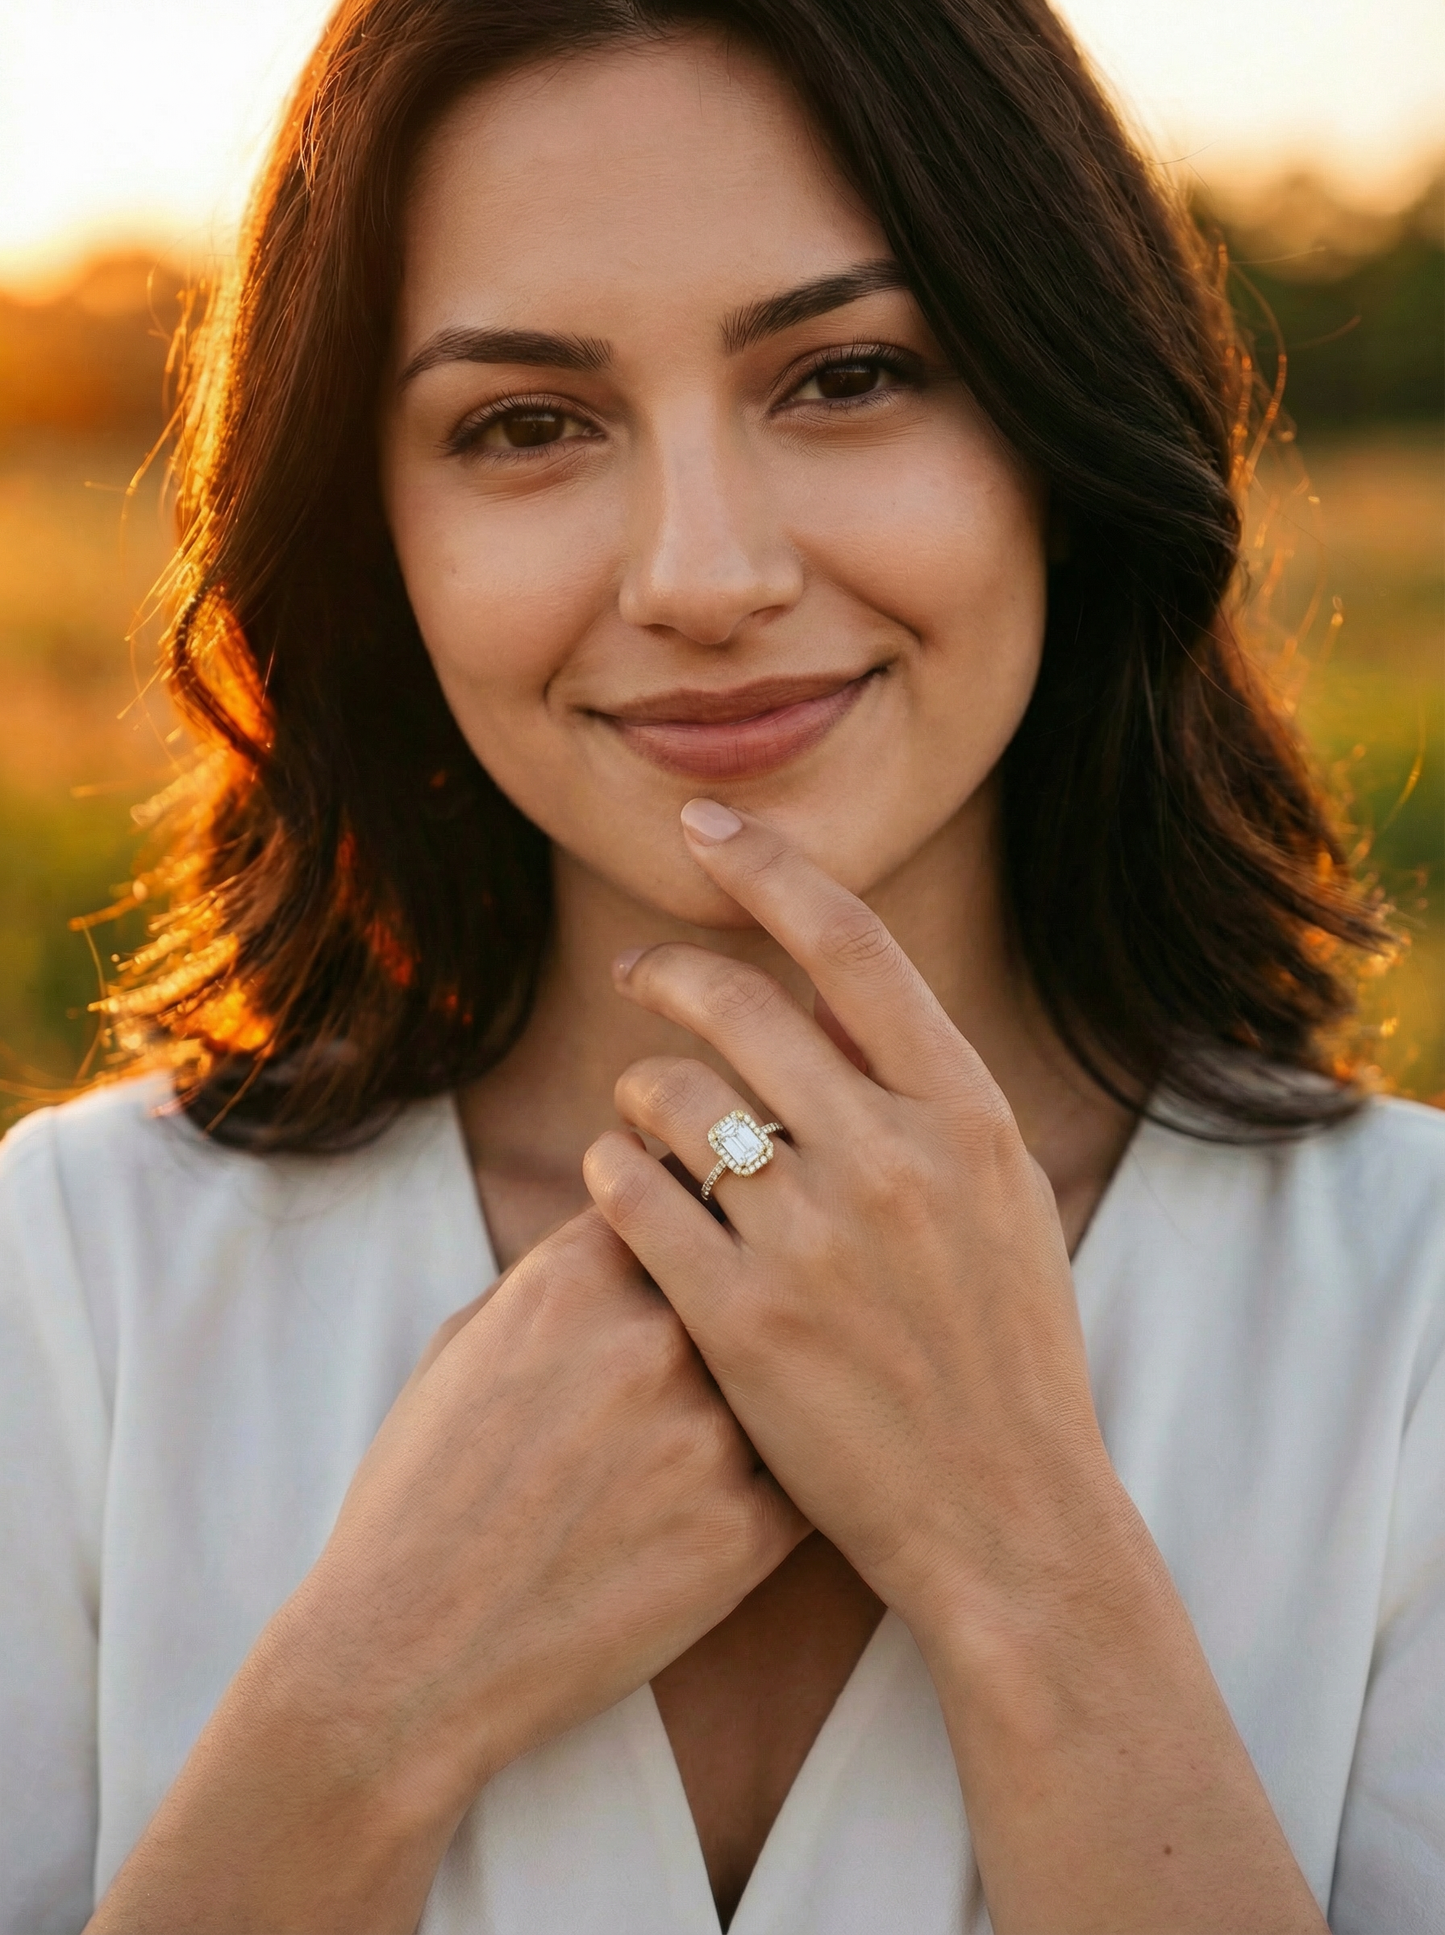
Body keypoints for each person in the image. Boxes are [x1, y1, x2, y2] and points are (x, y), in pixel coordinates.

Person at [1, 2, 1441, 1930]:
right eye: (526, 423)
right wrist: (363, 1712)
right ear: (377, 531)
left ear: (1061, 417)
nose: (703, 571)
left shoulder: (1413, 1308)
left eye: (847, 376)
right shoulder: (73, 1289)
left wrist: (1024, 1552)